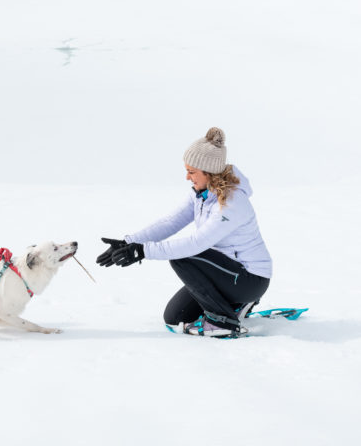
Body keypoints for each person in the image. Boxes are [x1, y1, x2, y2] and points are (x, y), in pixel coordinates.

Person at [96, 127, 271, 338]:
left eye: (192, 171)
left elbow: (197, 243)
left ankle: (222, 322)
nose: (187, 177)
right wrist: (129, 242)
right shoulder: (202, 194)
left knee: (183, 256)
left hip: (249, 278)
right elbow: (170, 222)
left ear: (209, 172)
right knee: (175, 317)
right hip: (224, 273)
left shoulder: (233, 203)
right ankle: (236, 305)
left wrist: (143, 251)